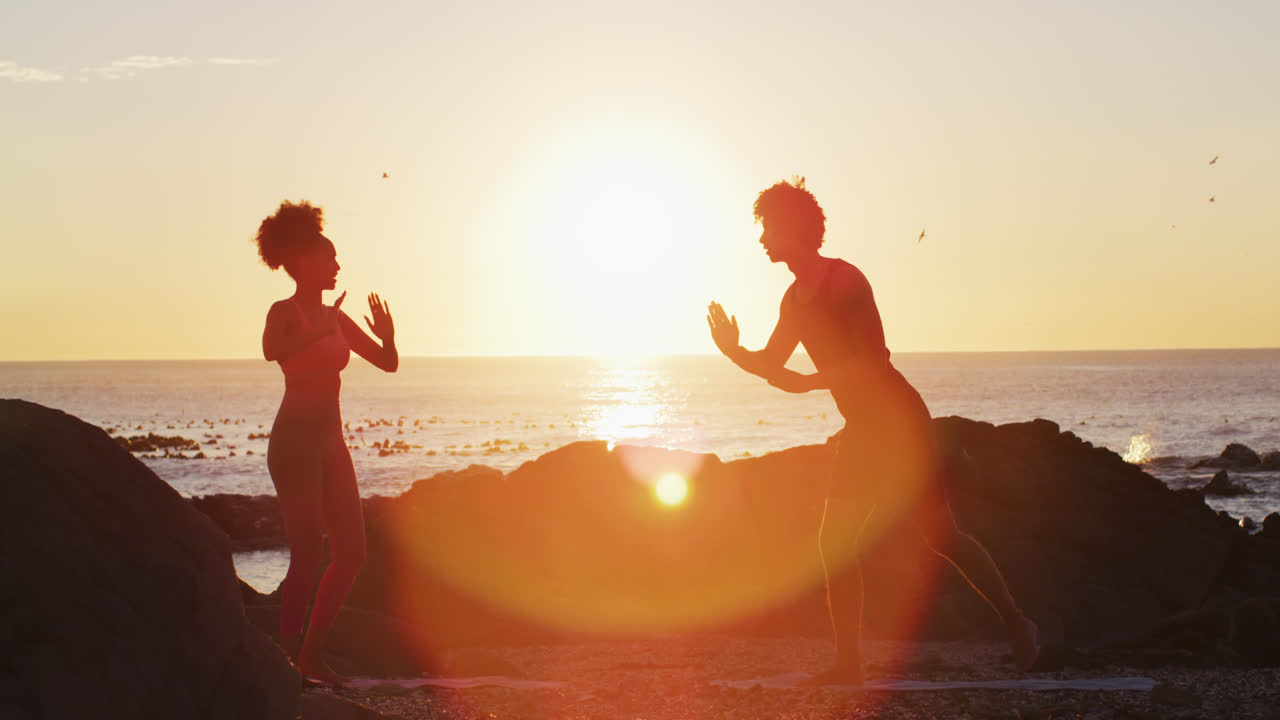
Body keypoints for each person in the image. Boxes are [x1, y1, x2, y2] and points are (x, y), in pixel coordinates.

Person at [706, 177, 1038, 684]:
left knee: (943, 538)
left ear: (796, 226)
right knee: (833, 541)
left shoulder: (845, 281)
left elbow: (874, 361)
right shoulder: (793, 301)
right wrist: (734, 351)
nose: (762, 239)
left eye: (769, 227)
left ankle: (1019, 624)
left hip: (899, 423)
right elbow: (776, 367)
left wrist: (812, 380)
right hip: (861, 428)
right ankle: (847, 665)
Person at [254, 200, 399, 684]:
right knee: (307, 553)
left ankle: (312, 656)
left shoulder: (337, 318)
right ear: (300, 262)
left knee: (352, 553)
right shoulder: (286, 311)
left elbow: (386, 363)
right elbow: (272, 350)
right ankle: (287, 659)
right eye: (329, 258)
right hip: (294, 443)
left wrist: (389, 336)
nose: (338, 266)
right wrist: (314, 329)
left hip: (331, 443)